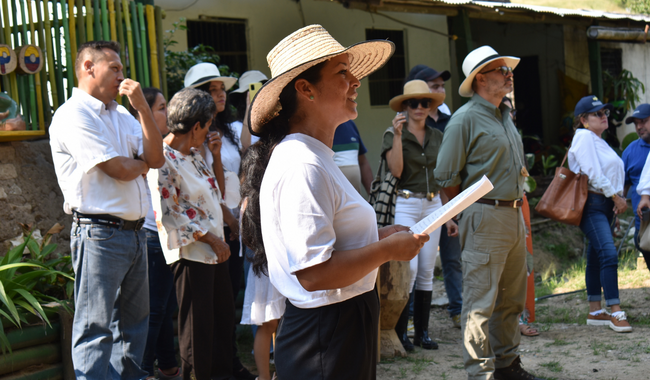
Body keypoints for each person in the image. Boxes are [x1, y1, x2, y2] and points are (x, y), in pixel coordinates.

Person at [240, 24, 429, 379]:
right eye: (343, 73)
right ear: (305, 89)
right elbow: (314, 273)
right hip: (326, 333)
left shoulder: (314, 156)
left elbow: (331, 239)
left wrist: (380, 235)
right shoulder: (302, 163)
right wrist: (388, 250)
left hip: (338, 324)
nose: (355, 82)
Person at [49, 40, 164, 379]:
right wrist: (140, 163)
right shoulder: (73, 114)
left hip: (134, 233)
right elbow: (118, 169)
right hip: (98, 232)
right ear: (88, 67)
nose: (122, 77)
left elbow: (154, 159)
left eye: (122, 70)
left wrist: (143, 108)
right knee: (95, 327)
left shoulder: (124, 114)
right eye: (114, 68)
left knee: (133, 328)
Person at [435, 46, 543, 380]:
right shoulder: (464, 119)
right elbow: (445, 177)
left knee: (512, 300)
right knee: (480, 303)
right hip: (484, 215)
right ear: (480, 79)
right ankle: (479, 373)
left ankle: (507, 366)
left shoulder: (504, 115)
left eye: (508, 69)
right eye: (500, 70)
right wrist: (465, 213)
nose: (509, 74)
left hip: (513, 215)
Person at [152, 88, 234, 380]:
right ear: (197, 126)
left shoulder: (194, 154)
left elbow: (214, 195)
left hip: (215, 250)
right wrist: (212, 239)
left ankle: (225, 374)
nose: (210, 129)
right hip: (192, 254)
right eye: (209, 124)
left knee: (222, 320)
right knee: (196, 327)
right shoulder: (162, 159)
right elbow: (171, 213)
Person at [184, 63, 256, 380]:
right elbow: (201, 186)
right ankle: (210, 366)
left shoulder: (227, 128)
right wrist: (229, 218)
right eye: (212, 90)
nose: (220, 95)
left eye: (222, 89)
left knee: (228, 297)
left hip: (232, 219)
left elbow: (242, 165)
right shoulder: (193, 133)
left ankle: (229, 362)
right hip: (209, 225)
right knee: (207, 303)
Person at [383, 79, 457, 352]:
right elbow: (397, 171)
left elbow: (440, 180)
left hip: (434, 202)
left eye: (425, 103)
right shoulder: (392, 135)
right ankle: (401, 332)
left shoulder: (437, 136)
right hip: (406, 203)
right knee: (408, 269)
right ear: (404, 107)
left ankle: (422, 333)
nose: (419, 107)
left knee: (426, 270)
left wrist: (449, 215)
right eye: (413, 103)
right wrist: (399, 136)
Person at [127, 88, 181, 380]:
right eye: (161, 107)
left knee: (164, 306)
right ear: (144, 112)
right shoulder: (143, 143)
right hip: (150, 234)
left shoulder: (158, 145)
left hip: (163, 235)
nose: (167, 114)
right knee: (155, 309)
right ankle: (145, 370)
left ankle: (167, 365)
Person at [569, 95, 633, 332]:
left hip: (604, 204)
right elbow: (592, 173)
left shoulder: (598, 140)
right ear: (583, 120)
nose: (604, 116)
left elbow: (610, 174)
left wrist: (615, 200)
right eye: (597, 114)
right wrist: (616, 196)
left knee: (597, 255)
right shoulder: (584, 137)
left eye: (605, 112)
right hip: (593, 204)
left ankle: (596, 310)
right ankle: (615, 310)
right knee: (608, 254)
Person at [406, 64, 463, 329]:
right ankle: (408, 318)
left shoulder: (452, 120)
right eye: (435, 85)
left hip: (454, 197)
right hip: (420, 201)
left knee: (452, 257)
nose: (441, 90)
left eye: (441, 86)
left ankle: (458, 309)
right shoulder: (408, 123)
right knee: (413, 263)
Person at [622, 103, 650, 272]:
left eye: (644, 121)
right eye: (636, 123)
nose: (639, 127)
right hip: (645, 224)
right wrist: (615, 212)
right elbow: (621, 188)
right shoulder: (630, 152)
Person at [406, 64, 452, 130]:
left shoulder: (450, 120)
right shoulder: (412, 123)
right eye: (435, 87)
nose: (441, 91)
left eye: (443, 86)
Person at [332, 120, 373, 194]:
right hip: (331, 201)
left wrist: (373, 195)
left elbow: (362, 162)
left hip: (354, 200)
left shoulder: (350, 124)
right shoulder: (320, 126)